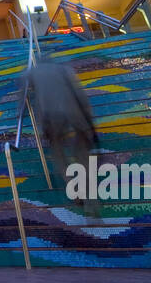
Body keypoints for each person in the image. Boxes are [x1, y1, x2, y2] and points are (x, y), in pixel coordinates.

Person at [17, 55, 101, 216]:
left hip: (50, 117)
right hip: (74, 113)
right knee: (83, 157)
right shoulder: (64, 69)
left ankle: (74, 190)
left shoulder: (30, 72)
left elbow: (22, 96)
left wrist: (19, 114)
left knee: (58, 153)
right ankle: (90, 200)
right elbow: (80, 94)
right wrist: (89, 123)